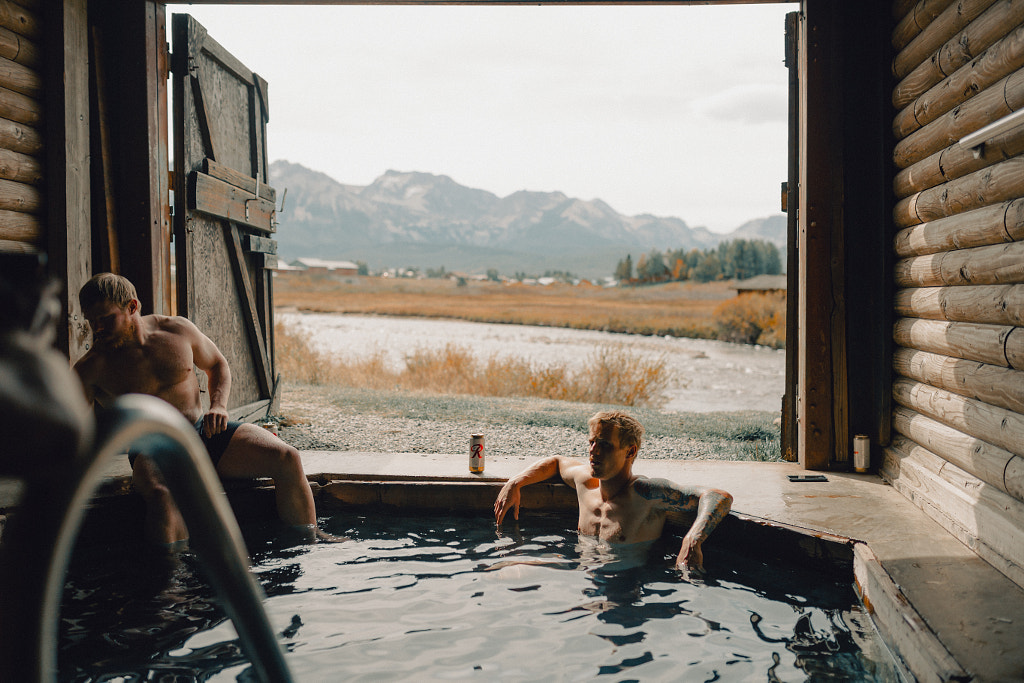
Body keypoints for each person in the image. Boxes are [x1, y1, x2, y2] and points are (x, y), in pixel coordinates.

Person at [73, 272, 318, 546]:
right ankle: (173, 583)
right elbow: (69, 425)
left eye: (106, 319)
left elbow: (217, 365)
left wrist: (219, 406)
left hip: (205, 432)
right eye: (91, 321)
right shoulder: (91, 368)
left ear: (132, 307)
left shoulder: (176, 331)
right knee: (164, 495)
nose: (98, 329)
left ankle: (307, 544)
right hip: (153, 449)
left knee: (287, 457)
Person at [494, 410, 732, 571]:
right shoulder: (584, 481)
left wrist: (693, 539)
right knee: (504, 571)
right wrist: (516, 482)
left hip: (628, 589)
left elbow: (716, 496)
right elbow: (556, 462)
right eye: (592, 442)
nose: (593, 451)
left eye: (605, 445)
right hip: (583, 575)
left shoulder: (645, 493)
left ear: (630, 452)